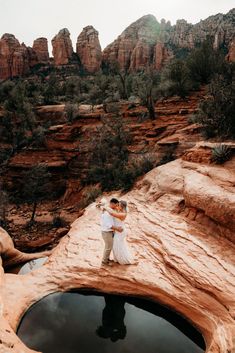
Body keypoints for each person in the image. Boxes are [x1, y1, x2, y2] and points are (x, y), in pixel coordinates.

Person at [105, 200, 135, 265]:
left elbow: (112, 213)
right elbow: (112, 207)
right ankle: (118, 259)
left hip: (121, 231)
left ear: (122, 206)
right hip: (117, 231)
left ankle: (123, 260)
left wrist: (105, 207)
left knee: (117, 245)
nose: (117, 206)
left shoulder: (123, 214)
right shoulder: (120, 211)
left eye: (119, 205)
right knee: (117, 245)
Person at [99, 198, 122, 265]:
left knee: (109, 246)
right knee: (108, 247)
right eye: (116, 205)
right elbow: (108, 225)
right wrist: (117, 229)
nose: (117, 206)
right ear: (112, 203)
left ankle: (107, 259)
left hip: (109, 231)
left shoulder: (109, 210)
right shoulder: (107, 213)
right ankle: (104, 261)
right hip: (106, 232)